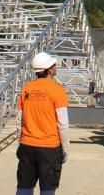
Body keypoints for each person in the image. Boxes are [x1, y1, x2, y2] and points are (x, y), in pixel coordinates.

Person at [16, 52, 69, 195]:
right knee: (48, 188)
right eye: (54, 65)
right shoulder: (57, 91)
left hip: (27, 145)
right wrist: (65, 148)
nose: (55, 67)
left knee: (24, 187)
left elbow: (19, 120)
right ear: (49, 70)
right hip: (49, 148)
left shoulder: (26, 90)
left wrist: (21, 143)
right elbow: (62, 124)